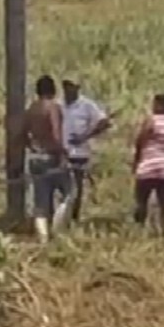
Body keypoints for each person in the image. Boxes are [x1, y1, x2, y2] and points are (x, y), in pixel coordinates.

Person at [20, 75, 70, 240]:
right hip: (51, 156)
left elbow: (22, 134)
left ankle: (42, 236)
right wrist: (62, 153)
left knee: (40, 201)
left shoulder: (31, 109)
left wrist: (32, 147)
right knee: (69, 193)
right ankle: (58, 229)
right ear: (53, 90)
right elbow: (56, 133)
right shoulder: (53, 108)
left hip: (35, 157)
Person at [61, 78, 111, 222]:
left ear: (78, 87)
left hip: (79, 153)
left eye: (72, 86)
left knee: (76, 188)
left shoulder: (87, 105)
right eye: (67, 86)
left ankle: (74, 217)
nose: (69, 89)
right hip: (60, 151)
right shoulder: (58, 105)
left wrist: (84, 137)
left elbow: (104, 122)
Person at [133, 93, 164, 232]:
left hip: (150, 164)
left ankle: (139, 227)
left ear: (161, 105)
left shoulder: (153, 120)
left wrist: (136, 161)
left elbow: (140, 141)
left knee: (141, 199)